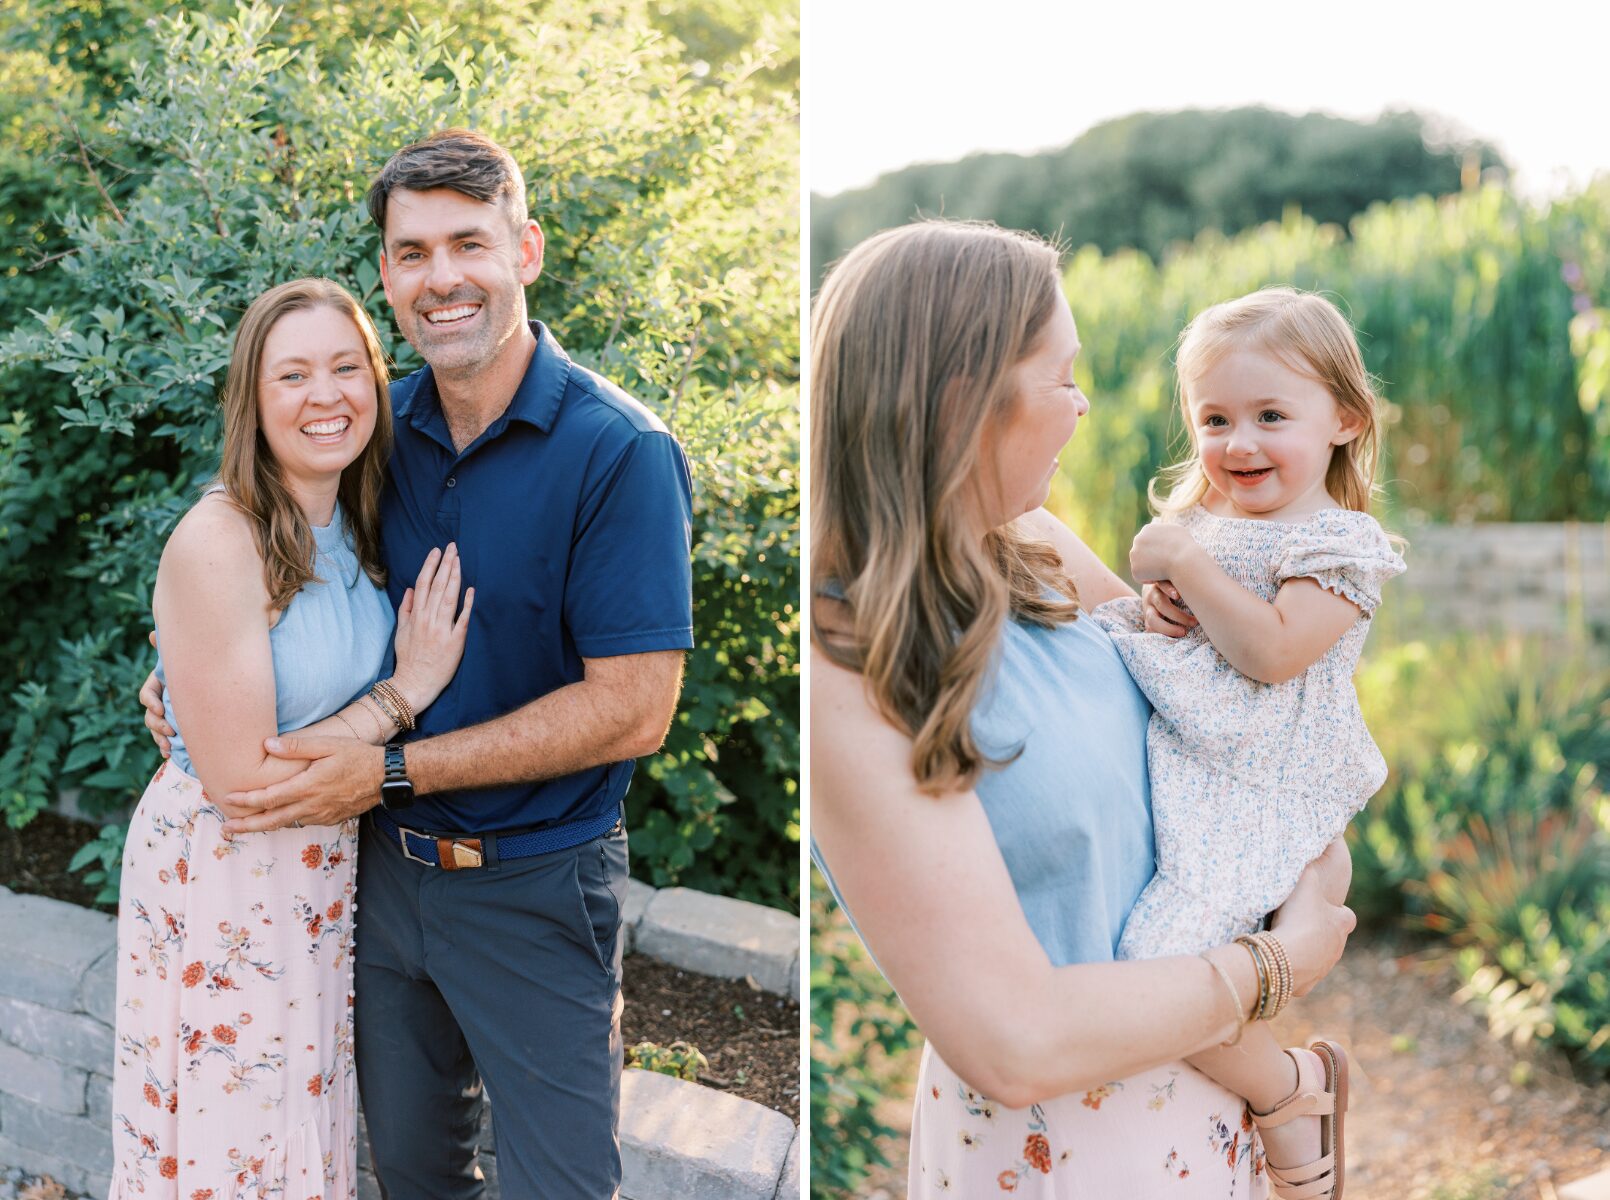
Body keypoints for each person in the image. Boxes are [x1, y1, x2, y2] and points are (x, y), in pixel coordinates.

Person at [141, 130, 694, 1198]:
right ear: (386, 275)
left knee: (561, 1185)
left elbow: (635, 710)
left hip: (533, 880)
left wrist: (389, 768)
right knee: (409, 1176)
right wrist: (182, 671)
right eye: (410, 252)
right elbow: (270, 579)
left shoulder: (617, 452)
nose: (441, 277)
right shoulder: (370, 426)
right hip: (372, 879)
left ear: (524, 250)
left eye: (467, 243)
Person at [811, 219, 1358, 1198]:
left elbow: (1220, 722)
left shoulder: (1030, 544)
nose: (1083, 404)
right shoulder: (842, 669)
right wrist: (1272, 965)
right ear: (962, 401)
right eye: (1061, 378)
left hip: (1201, 1104)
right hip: (1055, 1149)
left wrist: (1314, 864)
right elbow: (1015, 1042)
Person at [110, 278, 472, 1199]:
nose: (326, 396)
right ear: (253, 399)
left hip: (319, 872)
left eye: (348, 368)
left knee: (297, 1136)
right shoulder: (219, 538)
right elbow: (243, 780)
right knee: (229, 1146)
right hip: (228, 874)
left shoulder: (358, 519)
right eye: (294, 375)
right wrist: (404, 692)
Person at [1092, 287, 1406, 1199]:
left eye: (1273, 415)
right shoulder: (1207, 531)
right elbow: (1198, 640)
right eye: (1216, 418)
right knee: (1165, 963)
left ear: (1344, 419)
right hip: (1194, 781)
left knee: (1160, 969)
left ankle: (1293, 1092)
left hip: (1265, 788)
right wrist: (1160, 609)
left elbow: (1270, 653)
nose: (1239, 443)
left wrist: (1184, 567)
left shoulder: (1341, 544)